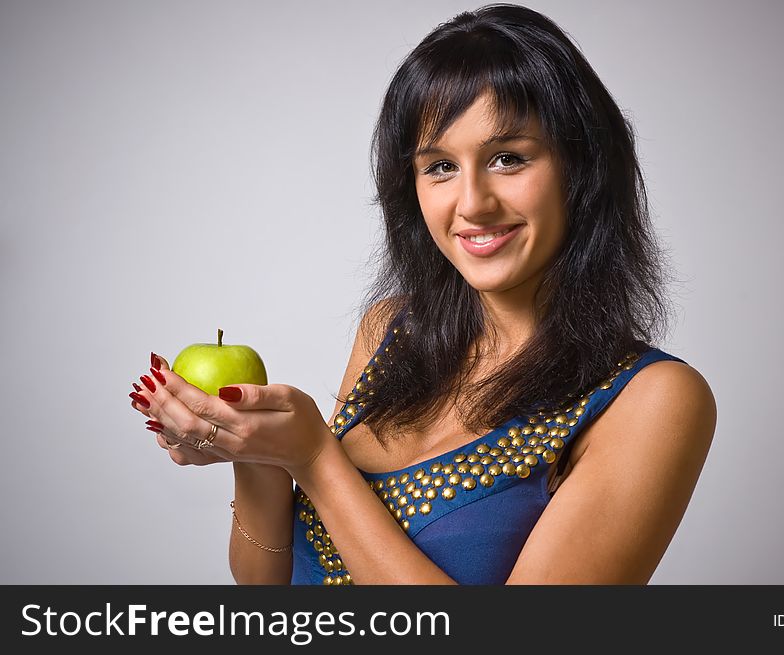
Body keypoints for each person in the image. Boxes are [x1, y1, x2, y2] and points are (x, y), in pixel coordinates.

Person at [129, 3, 716, 585]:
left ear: (582, 168)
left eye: (508, 159)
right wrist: (259, 453)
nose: (472, 203)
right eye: (439, 167)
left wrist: (315, 460)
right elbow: (266, 584)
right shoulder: (389, 331)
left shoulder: (654, 400)